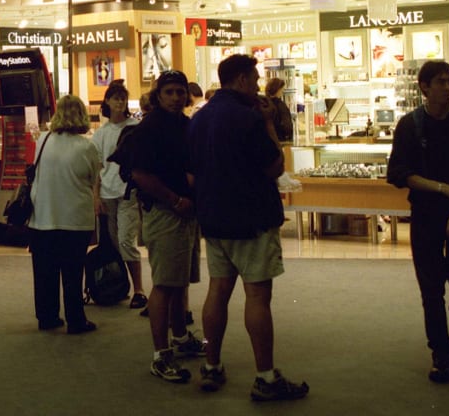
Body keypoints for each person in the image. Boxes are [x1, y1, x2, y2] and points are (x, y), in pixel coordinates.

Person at [186, 54, 307, 401]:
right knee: (257, 296)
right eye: (253, 79)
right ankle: (266, 377)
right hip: (251, 218)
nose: (257, 85)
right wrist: (269, 125)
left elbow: (191, 172)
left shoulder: (199, 119)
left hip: (214, 218)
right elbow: (274, 166)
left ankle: (211, 365)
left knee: (217, 292)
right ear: (240, 79)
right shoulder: (249, 118)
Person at [387, 61, 449, 383]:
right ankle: (440, 355)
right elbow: (399, 174)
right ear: (424, 87)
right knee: (431, 289)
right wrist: (442, 188)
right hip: (427, 216)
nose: (447, 87)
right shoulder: (410, 125)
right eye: (441, 82)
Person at [127, 70, 205, 382]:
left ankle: (180, 337)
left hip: (186, 214)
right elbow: (141, 175)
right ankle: (161, 355)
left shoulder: (185, 126)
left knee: (180, 280)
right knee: (164, 284)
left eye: (180, 92)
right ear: (159, 95)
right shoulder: (151, 128)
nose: (176, 98)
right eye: (169, 92)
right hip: (165, 212)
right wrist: (175, 200)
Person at [28, 95, 102, 334]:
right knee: (73, 272)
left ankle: (47, 316)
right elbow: (93, 178)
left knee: (44, 272)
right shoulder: (87, 146)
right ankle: (75, 319)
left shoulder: (43, 140)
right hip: (75, 219)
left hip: (42, 217)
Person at [91, 79, 147, 310]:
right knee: (114, 242)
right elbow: (97, 168)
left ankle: (140, 289)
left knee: (125, 239)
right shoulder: (101, 133)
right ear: (108, 101)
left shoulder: (134, 128)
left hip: (127, 192)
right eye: (116, 98)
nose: (120, 102)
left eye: (123, 98)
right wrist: (95, 196)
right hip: (107, 193)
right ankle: (119, 283)